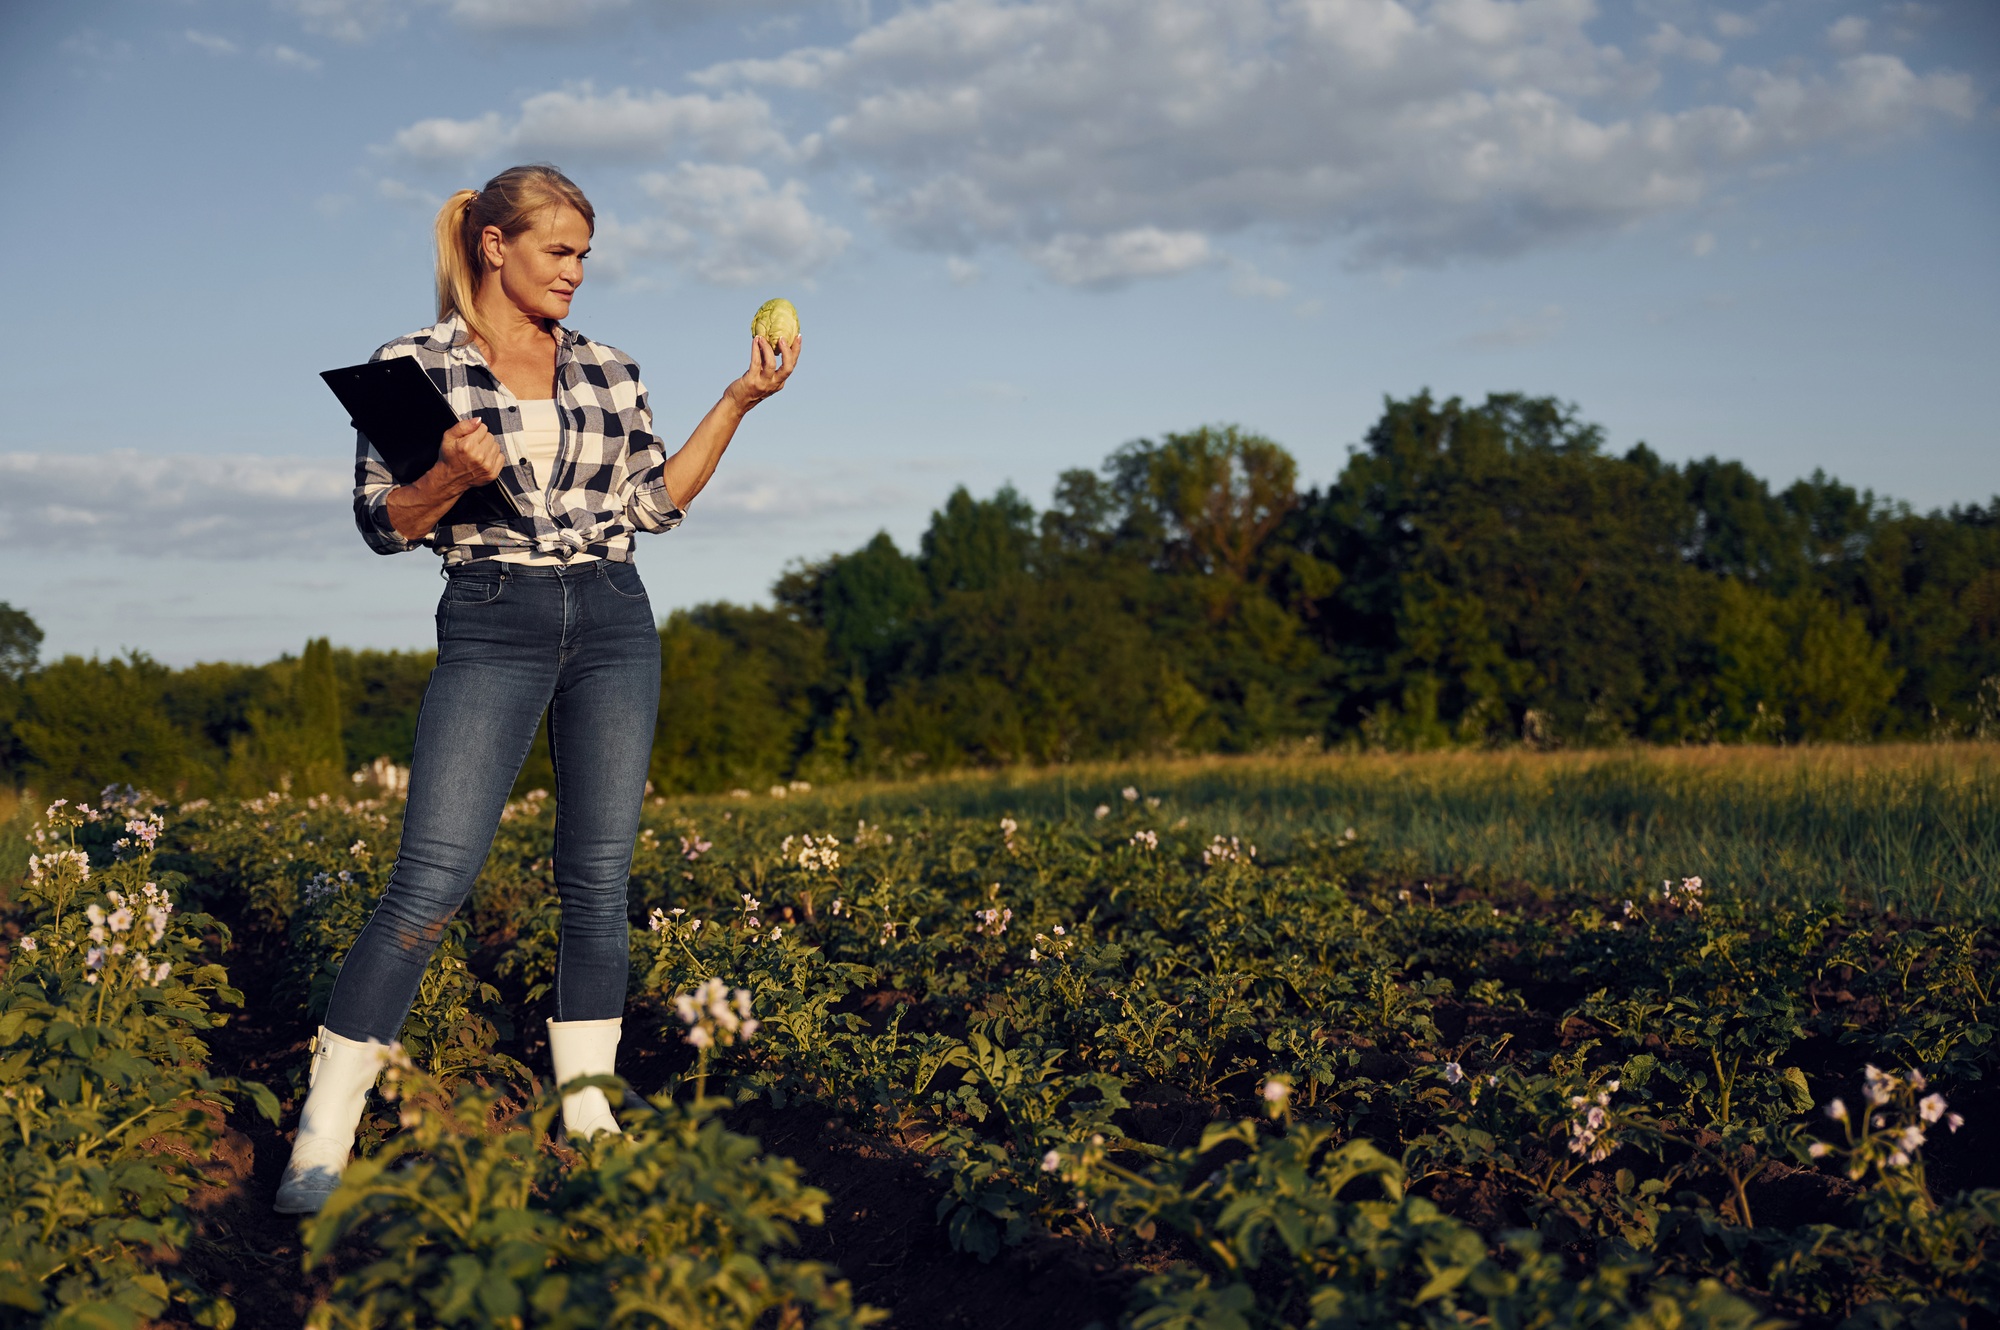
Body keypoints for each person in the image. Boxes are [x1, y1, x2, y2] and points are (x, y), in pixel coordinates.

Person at [274, 163, 800, 1215]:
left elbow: (653, 503)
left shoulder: (609, 367)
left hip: (612, 616)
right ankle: (320, 1139)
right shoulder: (409, 367)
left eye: (584, 257)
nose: (574, 274)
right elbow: (385, 523)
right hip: (492, 615)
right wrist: (450, 479)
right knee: (428, 884)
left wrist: (739, 400)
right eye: (558, 253)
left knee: (597, 882)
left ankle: (591, 1113)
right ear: (492, 246)